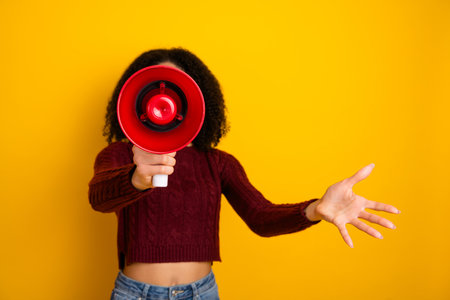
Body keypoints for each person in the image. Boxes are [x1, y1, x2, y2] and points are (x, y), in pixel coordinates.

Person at [88, 48, 401, 300]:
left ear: (195, 100)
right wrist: (135, 179)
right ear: (135, 99)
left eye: (177, 86)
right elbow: (99, 198)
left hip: (202, 294)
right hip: (135, 295)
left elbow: (261, 217)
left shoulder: (219, 163)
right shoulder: (118, 156)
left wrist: (315, 209)